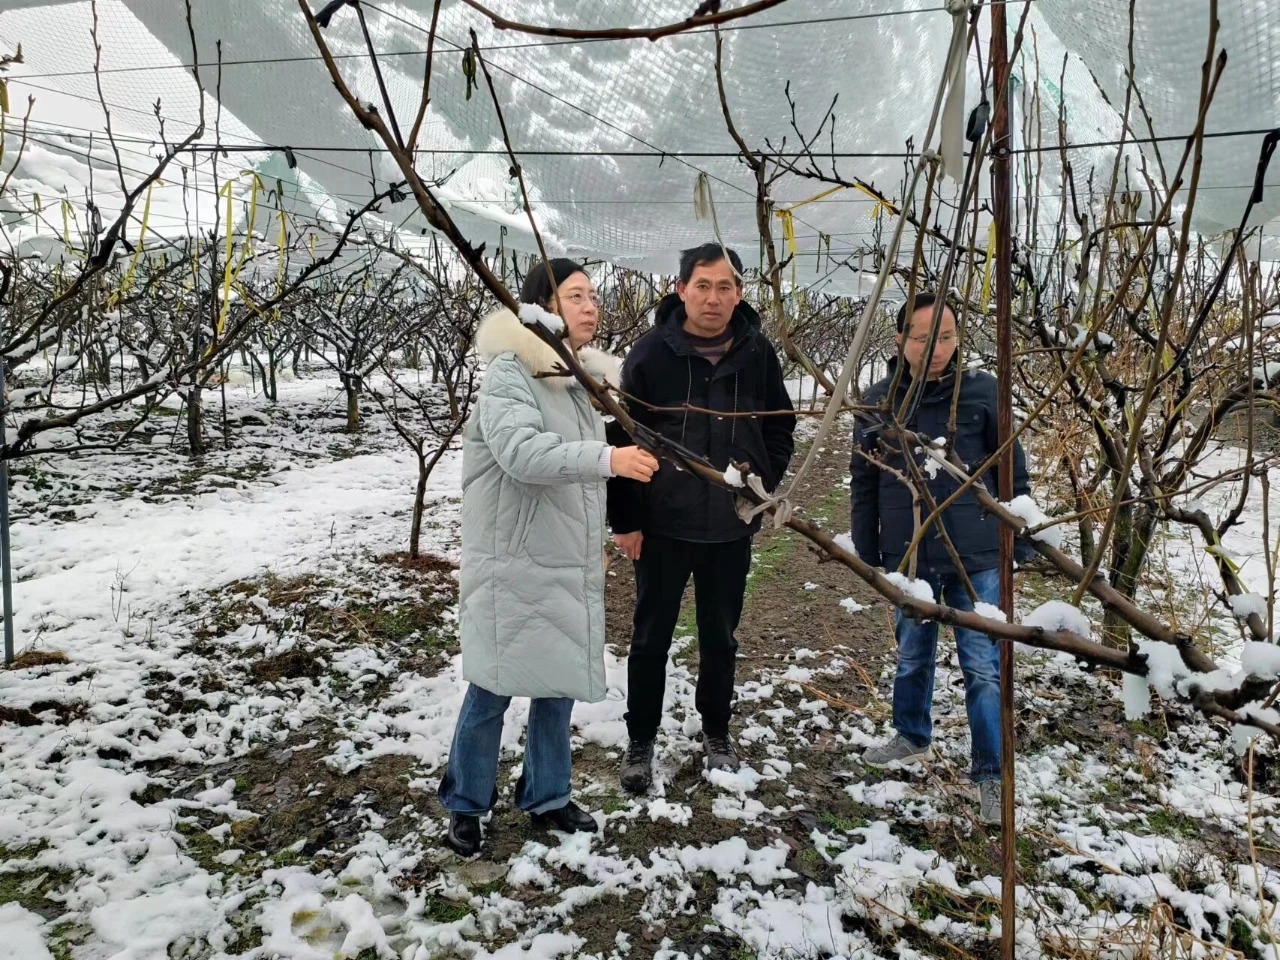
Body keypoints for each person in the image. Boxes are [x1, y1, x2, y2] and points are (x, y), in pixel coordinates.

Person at [439, 259, 660, 856]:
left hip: (562, 557)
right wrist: (608, 460)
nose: (591, 306)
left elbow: (576, 479)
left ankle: (548, 794)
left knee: (556, 682)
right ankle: (466, 803)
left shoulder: (576, 379)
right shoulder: (510, 372)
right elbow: (523, 453)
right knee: (492, 686)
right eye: (576, 296)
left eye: (594, 296)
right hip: (512, 560)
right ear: (541, 306)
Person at [608, 243, 796, 793]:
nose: (714, 298)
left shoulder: (756, 352)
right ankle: (641, 740)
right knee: (650, 638)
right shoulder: (650, 355)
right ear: (681, 289)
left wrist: (761, 482)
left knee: (720, 638)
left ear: (739, 294)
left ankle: (716, 732)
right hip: (663, 525)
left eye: (725, 287)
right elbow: (621, 435)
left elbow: (780, 424)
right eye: (704, 286)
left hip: (729, 525)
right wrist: (626, 519)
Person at [850, 291, 1030, 825]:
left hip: (976, 554)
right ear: (900, 339)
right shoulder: (879, 402)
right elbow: (864, 478)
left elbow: (1012, 471)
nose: (937, 349)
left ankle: (991, 774)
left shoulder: (982, 393)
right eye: (925, 338)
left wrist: (1017, 541)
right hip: (909, 553)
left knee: (983, 667)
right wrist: (868, 548)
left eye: (947, 337)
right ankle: (911, 735)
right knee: (912, 653)